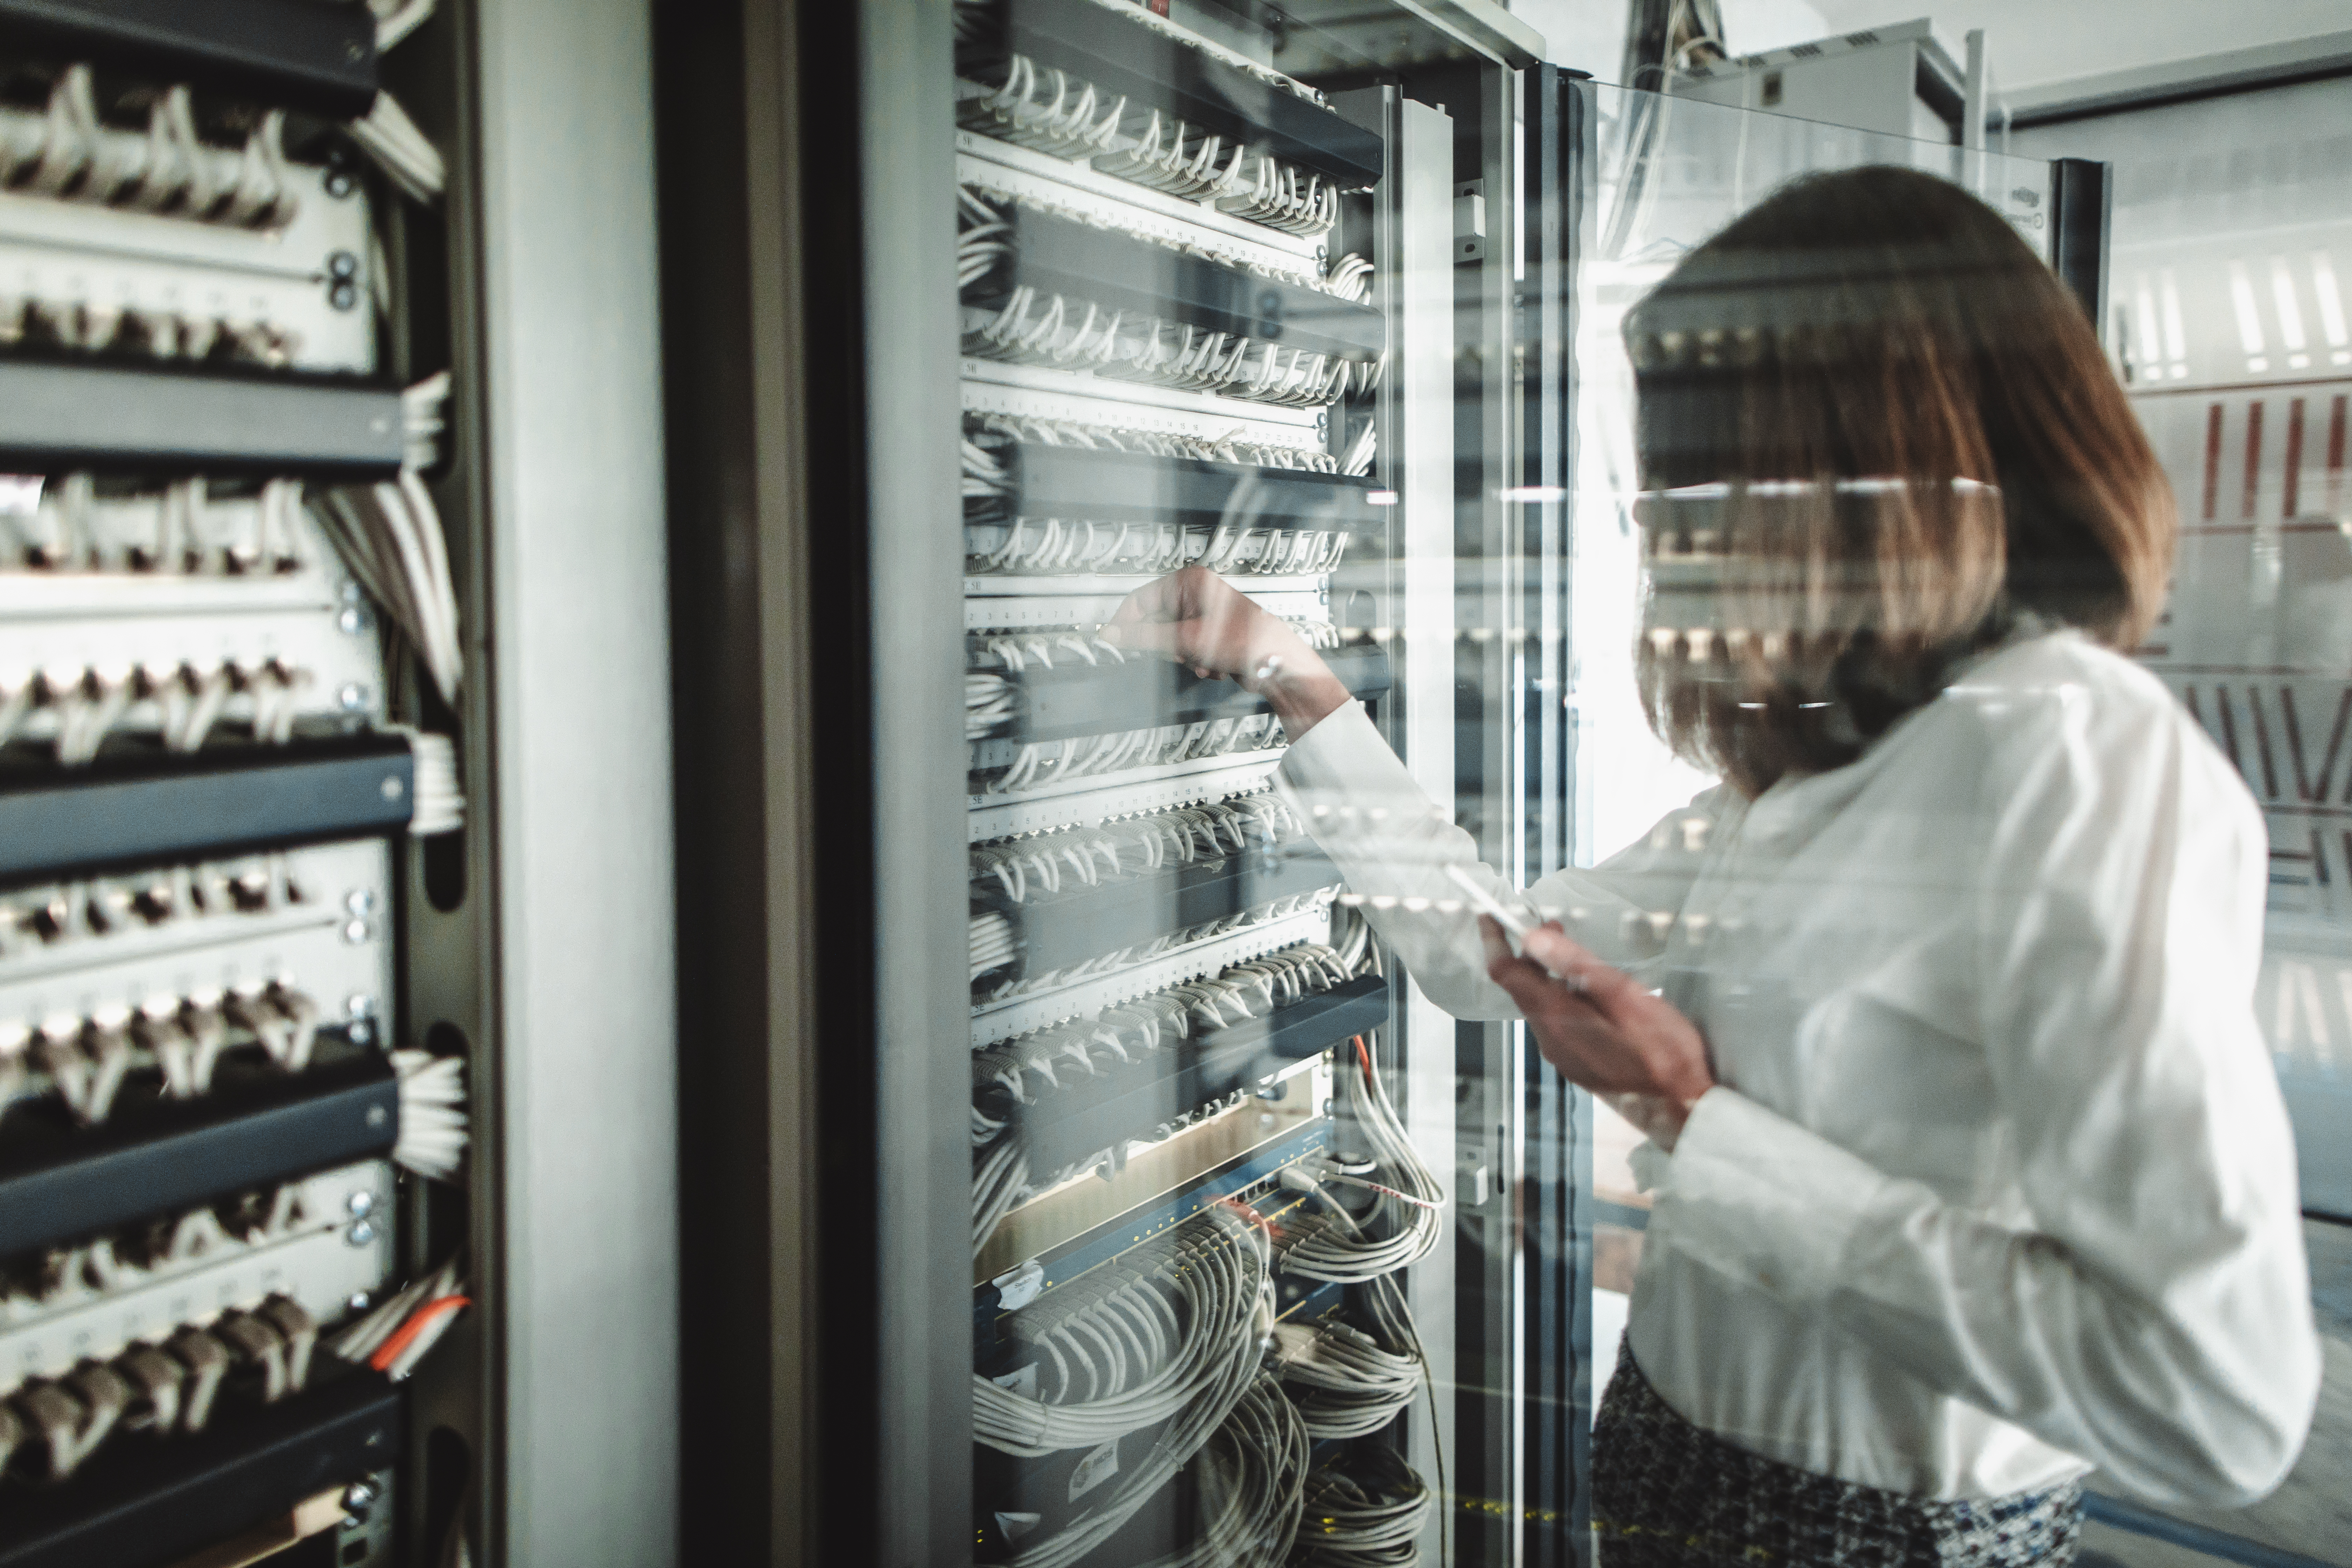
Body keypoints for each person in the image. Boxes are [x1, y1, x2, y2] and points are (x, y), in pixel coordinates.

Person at [1103, 166, 2320, 1566]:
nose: (1670, 530)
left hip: (1871, 1535)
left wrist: (1700, 1120)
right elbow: (1489, 956)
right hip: (1670, 1459)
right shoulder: (1834, 754)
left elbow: (2211, 1401)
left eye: (1696, 477)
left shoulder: (2077, 759)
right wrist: (1300, 683)